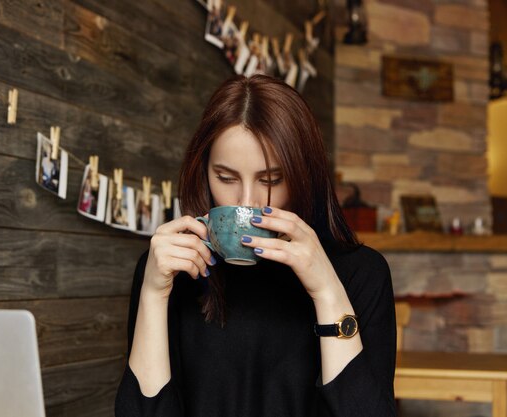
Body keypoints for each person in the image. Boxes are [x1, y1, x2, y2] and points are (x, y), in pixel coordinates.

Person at [115, 75, 397, 416]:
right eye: (226, 178)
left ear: (303, 174)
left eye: (270, 180)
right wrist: (152, 294)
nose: (246, 202)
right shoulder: (171, 270)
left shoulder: (361, 273)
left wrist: (327, 292)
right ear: (202, 172)